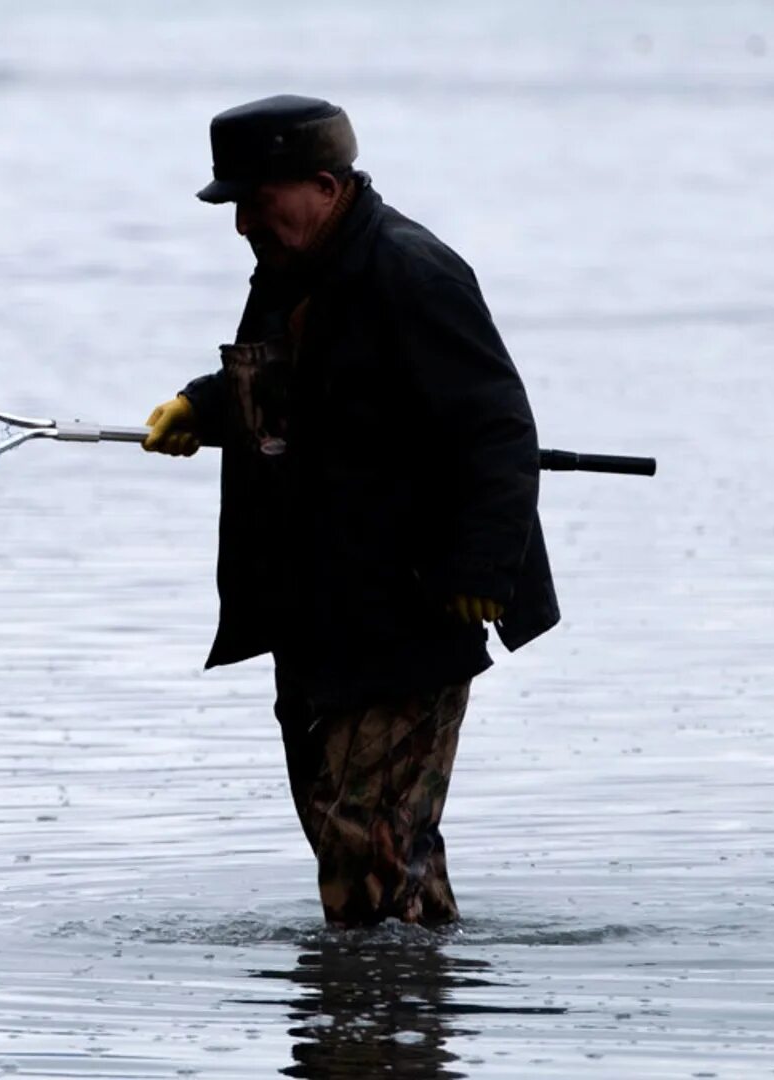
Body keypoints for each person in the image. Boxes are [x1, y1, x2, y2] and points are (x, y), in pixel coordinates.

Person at [143, 95, 558, 928]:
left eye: (255, 201)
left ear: (324, 185)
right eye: (234, 205)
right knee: (359, 845)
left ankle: (374, 1039)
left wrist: (483, 569)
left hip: (411, 611)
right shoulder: (292, 270)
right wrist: (205, 406)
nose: (241, 225)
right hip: (317, 612)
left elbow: (501, 429)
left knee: (367, 846)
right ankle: (383, 1028)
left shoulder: (414, 270)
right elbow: (298, 387)